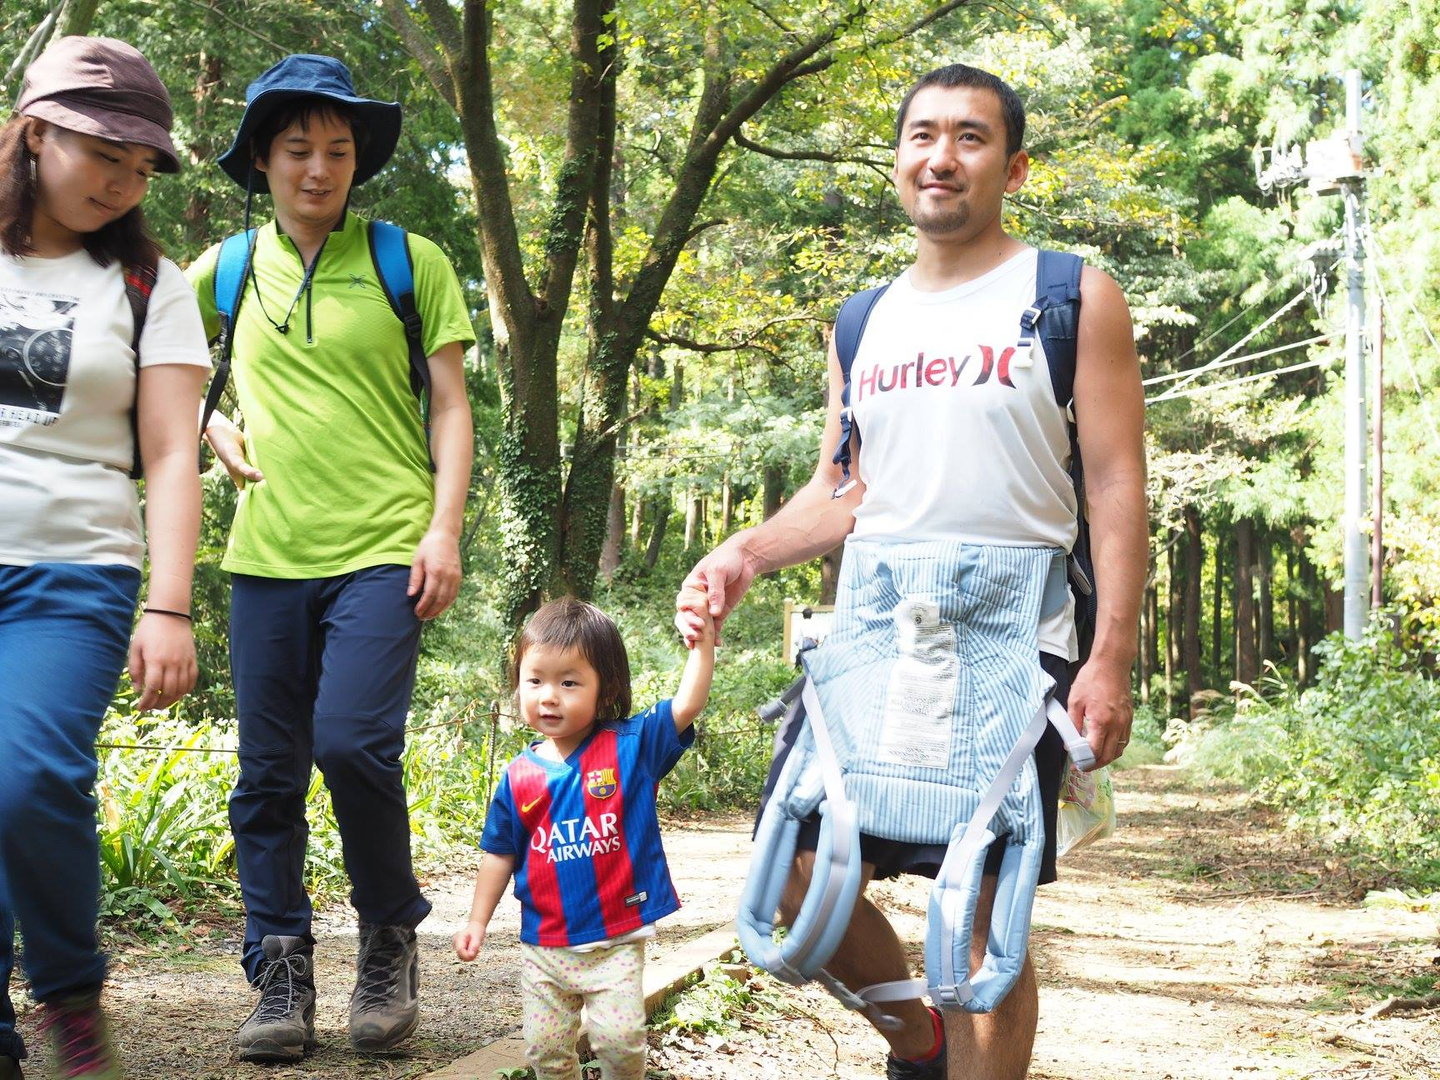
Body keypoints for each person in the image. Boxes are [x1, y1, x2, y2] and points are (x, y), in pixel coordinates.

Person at [676, 63, 1146, 1080]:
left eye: (971, 137)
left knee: (980, 909)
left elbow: (1115, 482)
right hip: (876, 631)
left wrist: (1112, 654)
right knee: (797, 874)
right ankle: (917, 1041)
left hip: (1017, 638)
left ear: (1014, 168)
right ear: (897, 160)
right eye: (922, 135)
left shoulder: (1071, 295)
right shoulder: (864, 319)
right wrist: (742, 551)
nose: (942, 157)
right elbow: (844, 487)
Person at [184, 54, 476, 1061]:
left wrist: (444, 529)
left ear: (358, 162)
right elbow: (151, 364)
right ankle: (279, 970)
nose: (318, 168)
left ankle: (388, 936)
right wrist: (209, 421)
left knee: (352, 744)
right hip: (266, 554)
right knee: (267, 775)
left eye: (339, 150)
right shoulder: (226, 268)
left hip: (386, 545)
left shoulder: (407, 260)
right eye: (298, 148)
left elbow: (450, 405)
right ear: (262, 159)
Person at [0, 37, 209, 1080]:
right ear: (36, 133)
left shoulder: (146, 282)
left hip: (69, 572)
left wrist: (168, 607)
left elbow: (171, 452)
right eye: (103, 154)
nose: (124, 181)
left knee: (25, 778)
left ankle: (70, 991)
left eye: (140, 165)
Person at [453, 597, 716, 1080]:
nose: (549, 696)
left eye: (569, 683)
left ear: (605, 688)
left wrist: (703, 645)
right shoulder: (518, 777)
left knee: (620, 1043)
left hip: (616, 941)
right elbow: (499, 853)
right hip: (544, 946)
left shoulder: (631, 747)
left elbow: (688, 704)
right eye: (535, 680)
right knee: (546, 1053)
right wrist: (477, 921)